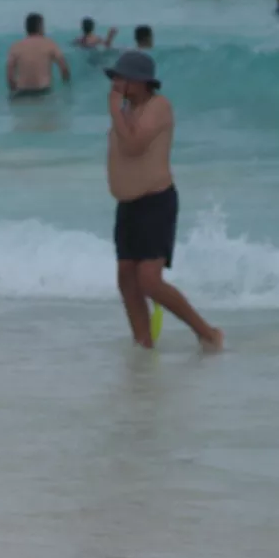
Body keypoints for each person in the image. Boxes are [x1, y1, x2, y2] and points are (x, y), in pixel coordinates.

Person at [105, 52, 222, 351]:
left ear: (141, 82)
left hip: (156, 201)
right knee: (126, 277)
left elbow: (133, 146)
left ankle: (207, 333)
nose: (116, 84)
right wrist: (120, 112)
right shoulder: (127, 110)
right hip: (128, 205)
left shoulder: (159, 106)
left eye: (122, 78)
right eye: (115, 78)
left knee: (149, 280)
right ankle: (143, 342)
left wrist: (114, 110)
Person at [6, 13, 70, 98]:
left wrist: (13, 89)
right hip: (43, 92)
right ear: (40, 27)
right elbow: (64, 68)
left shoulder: (16, 46)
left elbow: (10, 75)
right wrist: (66, 87)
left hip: (21, 92)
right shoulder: (50, 44)